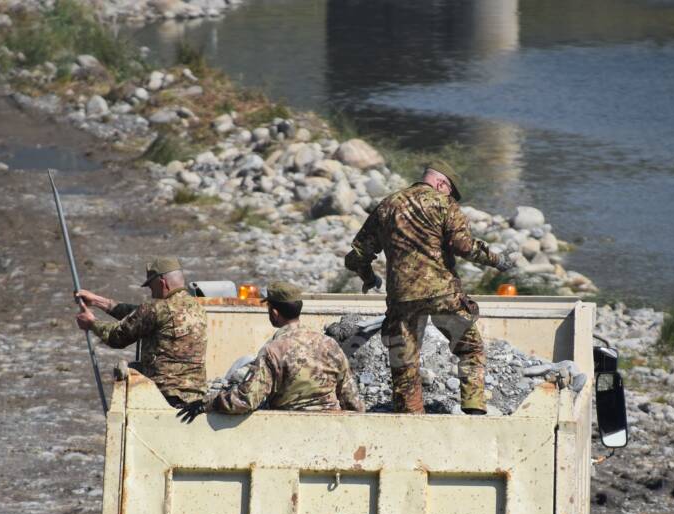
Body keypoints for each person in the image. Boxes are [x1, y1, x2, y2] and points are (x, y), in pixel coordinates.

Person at [343, 159, 514, 414]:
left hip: (402, 298)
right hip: (442, 294)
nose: (449, 195)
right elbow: (464, 246)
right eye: (449, 191)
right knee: (470, 348)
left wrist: (369, 277)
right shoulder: (445, 204)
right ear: (441, 182)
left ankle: (411, 419)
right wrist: (497, 260)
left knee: (404, 362)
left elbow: (357, 254)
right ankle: (474, 407)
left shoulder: (388, 205)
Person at [177, 281, 364, 421]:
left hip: (290, 428)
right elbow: (352, 400)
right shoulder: (330, 345)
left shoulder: (273, 350)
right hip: (332, 428)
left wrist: (207, 403)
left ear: (274, 313)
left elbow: (247, 400)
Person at [75, 256, 207, 407]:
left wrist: (91, 323)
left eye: (151, 287)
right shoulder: (197, 307)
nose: (151, 293)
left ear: (162, 283)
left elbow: (116, 337)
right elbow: (139, 315)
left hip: (164, 397)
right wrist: (98, 301)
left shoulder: (156, 308)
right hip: (194, 398)